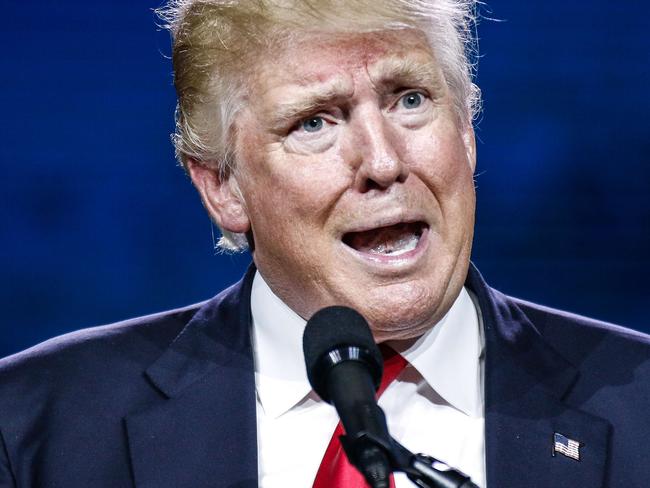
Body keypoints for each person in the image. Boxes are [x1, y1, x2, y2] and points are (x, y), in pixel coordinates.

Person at [0, 1, 648, 487]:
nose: (383, 161)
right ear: (223, 187)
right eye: (315, 121)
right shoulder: (35, 427)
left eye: (410, 99)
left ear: (469, 132)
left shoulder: (639, 408)